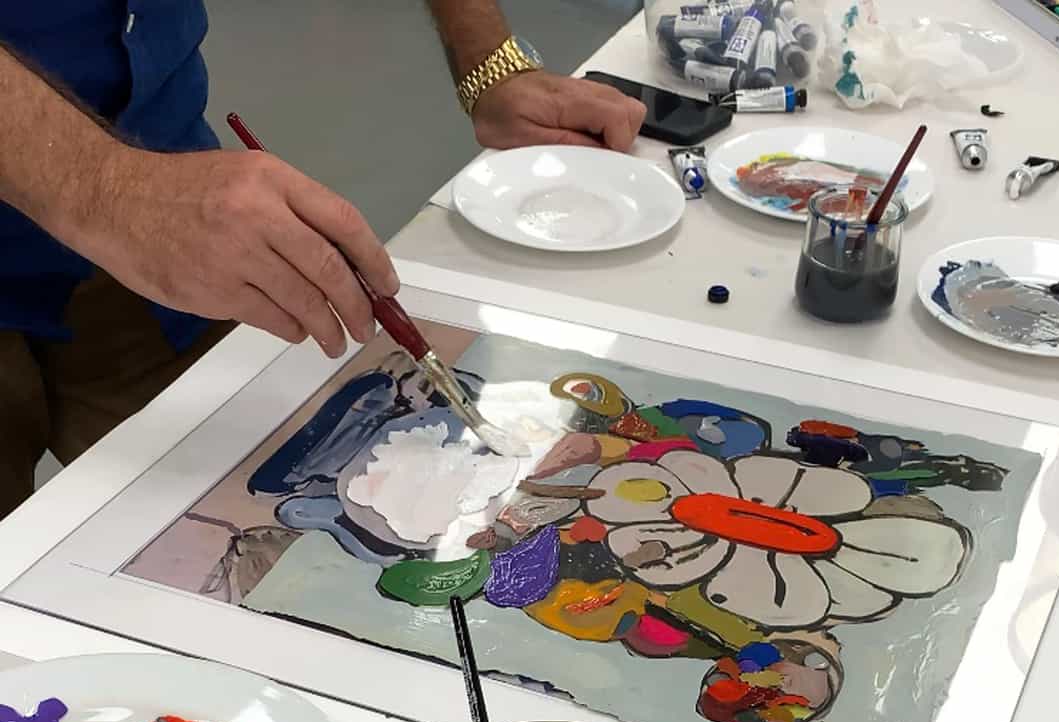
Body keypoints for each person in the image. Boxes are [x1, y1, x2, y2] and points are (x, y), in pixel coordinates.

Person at [0, 0, 646, 519]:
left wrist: (491, 64)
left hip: (168, 208)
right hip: (134, 201)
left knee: (215, 532)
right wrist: (105, 188)